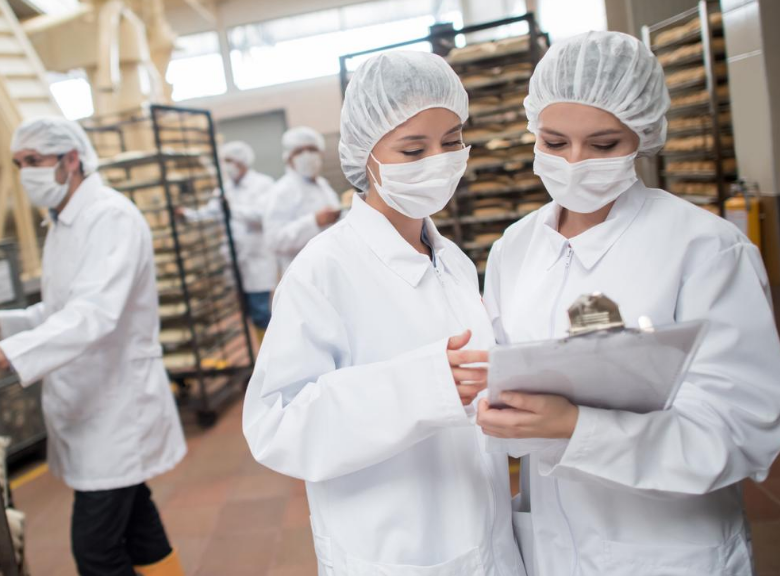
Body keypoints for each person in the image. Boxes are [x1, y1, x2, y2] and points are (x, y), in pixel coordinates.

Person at [476, 31, 780, 575]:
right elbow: (500, 374)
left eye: (603, 145)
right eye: (555, 143)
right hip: (551, 545)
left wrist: (580, 427)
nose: (575, 163)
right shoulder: (516, 248)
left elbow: (744, 427)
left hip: (666, 547)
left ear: (643, 135)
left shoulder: (704, 248)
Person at [243, 51, 524, 576]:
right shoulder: (322, 272)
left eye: (451, 141)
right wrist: (422, 386)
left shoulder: (454, 262)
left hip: (485, 538)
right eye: (413, 148)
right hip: (395, 552)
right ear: (364, 155)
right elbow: (276, 425)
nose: (437, 161)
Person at [0, 117, 187, 576]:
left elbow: (95, 314)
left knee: (96, 551)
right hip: (90, 407)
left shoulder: (110, 217)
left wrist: (6, 356)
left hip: (117, 409)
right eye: (19, 163)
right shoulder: (62, 221)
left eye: (34, 162)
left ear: (71, 160)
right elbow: (62, 308)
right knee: (138, 524)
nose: (25, 173)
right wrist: (2, 323)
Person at [176, 141, 276, 331]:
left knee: (262, 312)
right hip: (235, 260)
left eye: (230, 160)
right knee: (249, 313)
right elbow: (211, 212)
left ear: (242, 162)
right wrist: (188, 214)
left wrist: (232, 209)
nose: (227, 165)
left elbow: (263, 216)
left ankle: (275, 353)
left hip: (257, 259)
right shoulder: (225, 189)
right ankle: (262, 352)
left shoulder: (263, 184)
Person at [263, 126, 341, 276]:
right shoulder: (282, 191)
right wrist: (314, 222)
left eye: (312, 149)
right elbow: (273, 240)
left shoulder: (322, 185)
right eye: (299, 151)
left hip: (330, 267)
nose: (307, 156)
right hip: (302, 273)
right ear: (289, 158)